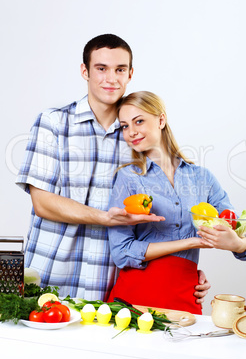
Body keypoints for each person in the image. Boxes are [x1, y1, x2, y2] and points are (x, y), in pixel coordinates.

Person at [16, 34, 210, 302]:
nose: (111, 78)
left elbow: (166, 214)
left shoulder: (138, 134)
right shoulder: (54, 122)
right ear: (85, 71)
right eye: (101, 68)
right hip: (50, 272)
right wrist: (105, 217)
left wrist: (184, 270)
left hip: (111, 284)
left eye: (120, 69)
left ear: (130, 74)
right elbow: (43, 203)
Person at [107, 91, 246, 314]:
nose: (131, 132)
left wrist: (237, 244)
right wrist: (190, 243)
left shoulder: (202, 178)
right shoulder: (128, 177)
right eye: (125, 126)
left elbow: (239, 230)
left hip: (186, 293)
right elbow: (121, 252)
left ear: (161, 120)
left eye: (139, 121)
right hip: (135, 297)